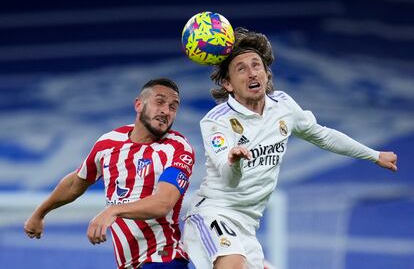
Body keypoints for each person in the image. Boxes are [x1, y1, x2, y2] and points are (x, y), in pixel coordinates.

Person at [182, 27, 398, 269]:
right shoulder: (217, 121)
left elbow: (323, 136)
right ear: (228, 84)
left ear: (266, 73)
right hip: (213, 212)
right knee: (232, 265)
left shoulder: (283, 106)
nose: (252, 73)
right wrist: (234, 162)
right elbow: (228, 178)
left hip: (248, 224)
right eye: (241, 69)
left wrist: (374, 155)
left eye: (257, 65)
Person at [24, 78, 195, 269]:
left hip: (163, 259)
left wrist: (113, 210)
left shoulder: (178, 148)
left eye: (173, 107)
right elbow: (76, 182)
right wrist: (40, 212)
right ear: (139, 104)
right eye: (160, 102)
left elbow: (163, 203)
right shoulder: (109, 143)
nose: (166, 111)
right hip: (129, 264)